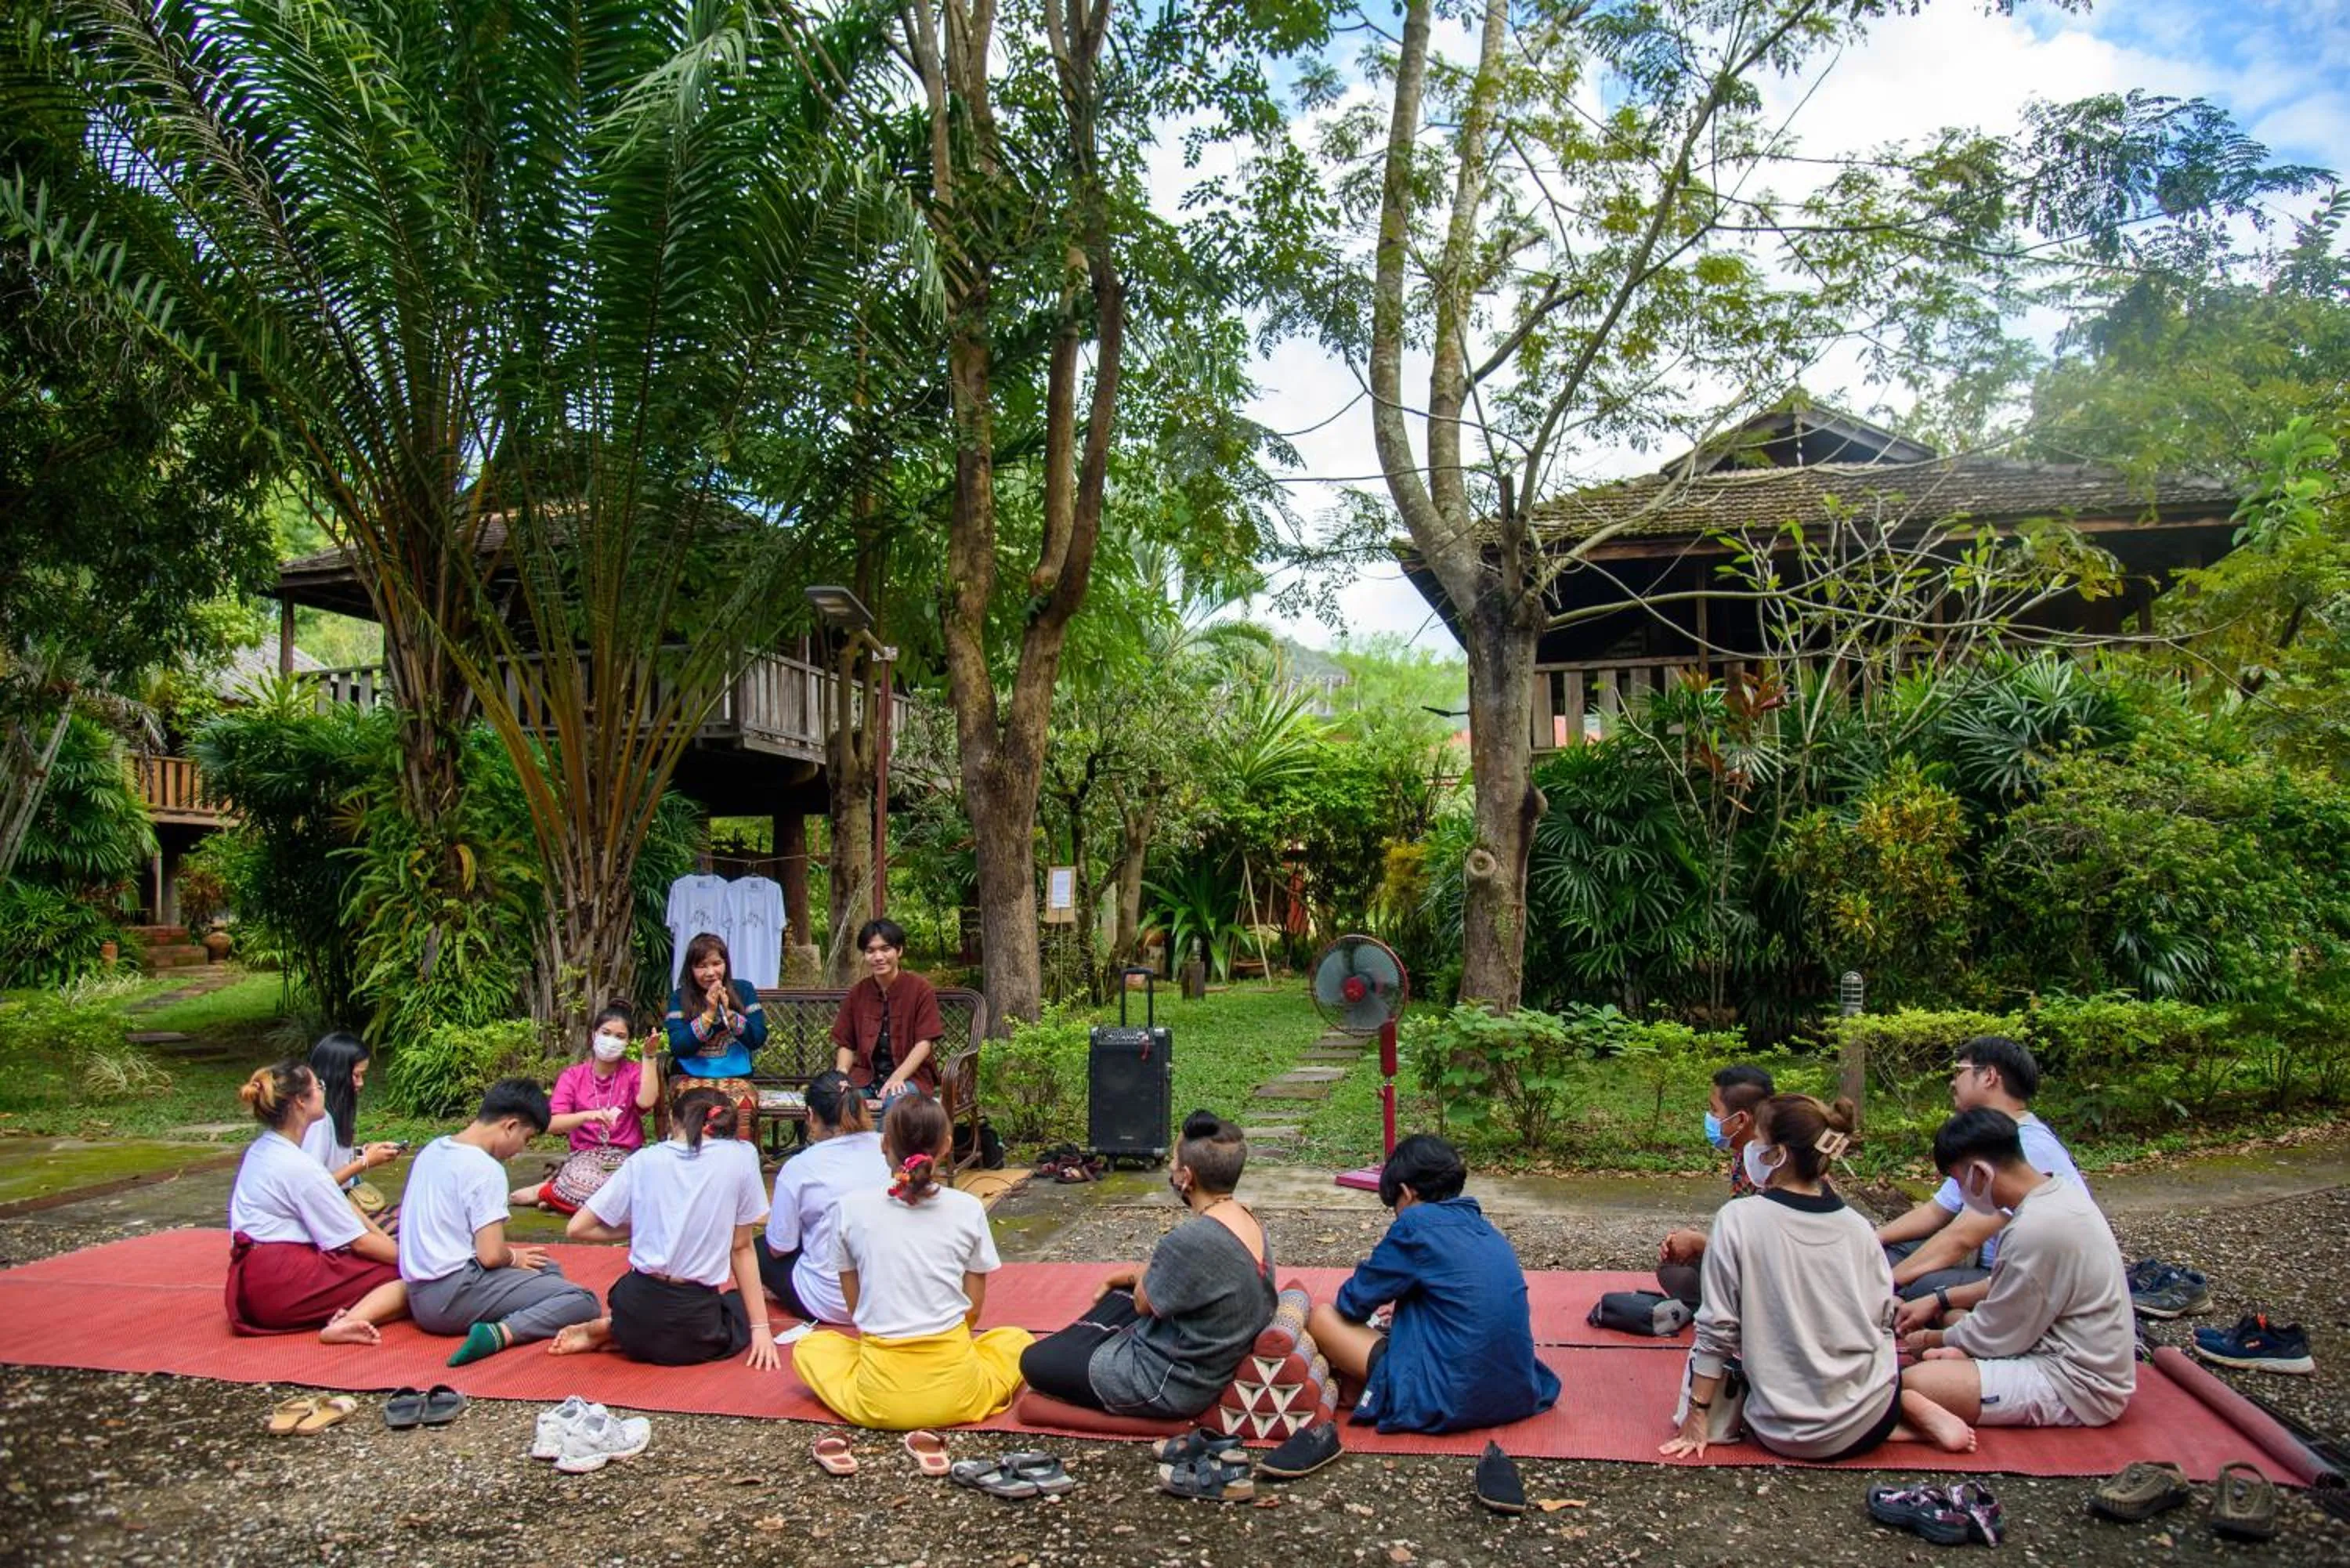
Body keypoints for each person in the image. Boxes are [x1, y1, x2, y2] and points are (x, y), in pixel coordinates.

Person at [1659, 1093, 1976, 1461]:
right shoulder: (1859, 1229)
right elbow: (1881, 1320)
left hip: (1782, 1430)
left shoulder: (1738, 1220)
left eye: (1758, 1140)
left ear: (1777, 1154)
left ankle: (1902, 1419)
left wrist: (1697, 1413)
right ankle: (1901, 1412)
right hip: (1870, 1416)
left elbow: (1716, 1329)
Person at [790, 1093, 1032, 1429]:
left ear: (884, 1144)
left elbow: (856, 1308)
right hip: (959, 1394)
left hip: (880, 1400)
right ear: (947, 1146)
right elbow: (973, 1310)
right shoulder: (968, 1208)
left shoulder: (850, 1208)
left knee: (811, 1347)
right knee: (1016, 1339)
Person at [1020, 1111, 1276, 1418]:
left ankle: (1082, 1347)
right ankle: (1083, 1342)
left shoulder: (1191, 1239)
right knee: (1119, 1293)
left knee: (1033, 1361)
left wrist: (1135, 1278)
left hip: (1168, 1383)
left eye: (1173, 1162)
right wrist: (1129, 1276)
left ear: (1187, 1177)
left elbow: (1143, 1303)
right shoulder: (1248, 1218)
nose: (1170, 1167)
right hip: (1203, 1346)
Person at [1896, 1107, 2135, 1430]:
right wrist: (1940, 1301)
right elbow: (2007, 1285)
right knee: (1953, 1318)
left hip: (2074, 1383)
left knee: (1914, 1382)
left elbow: (1997, 1333)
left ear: (1980, 1173)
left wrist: (1929, 1341)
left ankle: (1935, 1417)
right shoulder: (2054, 1192)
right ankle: (1961, 1360)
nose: (1962, 1192)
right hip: (2045, 1339)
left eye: (1958, 1180)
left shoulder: (2036, 1227)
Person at [1305, 1134, 1560, 1435]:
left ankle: (1374, 1389)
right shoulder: (1485, 1229)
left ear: (1406, 1192)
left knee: (1322, 1316)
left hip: (1446, 1397)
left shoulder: (1414, 1226)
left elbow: (1353, 1302)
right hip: (1517, 1392)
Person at [549, 1087, 781, 1369]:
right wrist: (761, 1329)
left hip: (634, 1308)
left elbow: (577, 1228)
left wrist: (638, 1229)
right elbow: (741, 1247)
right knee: (735, 1306)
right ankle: (616, 1331)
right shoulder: (741, 1157)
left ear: (673, 1120)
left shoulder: (644, 1159)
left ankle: (617, 1329)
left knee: (645, 1310)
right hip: (694, 1327)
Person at [399, 1078, 602, 1367]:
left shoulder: (434, 1149)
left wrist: (517, 1260)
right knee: (583, 1300)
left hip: (419, 1291)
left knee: (547, 1269)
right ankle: (501, 1333)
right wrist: (513, 1256)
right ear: (510, 1126)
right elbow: (492, 1256)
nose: (520, 1150)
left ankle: (519, 1313)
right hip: (452, 1294)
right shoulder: (485, 1168)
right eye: (527, 1139)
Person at [1875, 1035, 2085, 1302]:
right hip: (1980, 1263)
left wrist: (1886, 1284)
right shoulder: (1986, 1137)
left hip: (2015, 1275)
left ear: (1989, 1077)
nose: (1952, 1082)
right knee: (1881, 1257)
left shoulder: (2031, 1145)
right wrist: (1871, 1241)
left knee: (1915, 1282)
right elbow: (1937, 1211)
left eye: (1959, 1071)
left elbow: (1963, 1236)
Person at [224, 1059, 409, 1344]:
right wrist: (416, 1262)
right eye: (318, 1087)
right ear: (300, 1101)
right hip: (280, 1283)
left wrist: (390, 1244)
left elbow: (343, 1208)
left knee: (396, 1258)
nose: (324, 1091)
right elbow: (360, 1242)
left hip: (251, 1282)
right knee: (418, 1281)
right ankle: (350, 1321)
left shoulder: (262, 1150)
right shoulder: (299, 1166)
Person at [756, 1070, 890, 1324]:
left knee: (756, 1249)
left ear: (811, 1115)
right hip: (889, 1298)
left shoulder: (800, 1167)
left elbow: (778, 1248)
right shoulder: (887, 1146)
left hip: (829, 1302)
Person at [512, 1003, 662, 1210]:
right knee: (603, 1193)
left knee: (649, 1193)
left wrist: (649, 1056)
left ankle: (555, 1194)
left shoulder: (633, 1072)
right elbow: (553, 1123)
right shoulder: (573, 1076)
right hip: (587, 1156)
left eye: (620, 1037)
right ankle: (554, 1192)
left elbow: (646, 1102)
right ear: (594, 1035)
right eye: (606, 1033)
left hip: (627, 1157)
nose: (611, 1041)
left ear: (628, 1042)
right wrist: (588, 1116)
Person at [1656, 1064, 1777, 1308]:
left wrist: (1700, 1242)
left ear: (1741, 1119)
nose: (1710, 1118)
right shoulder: (1746, 1155)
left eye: (1715, 1110)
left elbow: (1770, 1255)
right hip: (1759, 1269)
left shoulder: (1779, 1168)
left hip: (1780, 1283)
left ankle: (1739, 1317)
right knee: (1675, 1267)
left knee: (1682, 1272)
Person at [831, 918, 944, 1106]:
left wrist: (897, 1077)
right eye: (870, 951)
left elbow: (924, 1043)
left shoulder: (920, 990)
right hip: (865, 1078)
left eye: (885, 949)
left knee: (897, 1099)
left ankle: (886, 1138)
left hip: (910, 1078)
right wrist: (841, 1074)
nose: (878, 957)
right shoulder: (858, 993)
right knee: (837, 1100)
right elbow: (846, 1043)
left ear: (899, 950)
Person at [301, 1031, 403, 1196]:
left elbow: (334, 1159)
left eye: (362, 1075)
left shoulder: (334, 1113)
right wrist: (365, 1162)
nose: (361, 1083)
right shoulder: (318, 1121)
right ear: (336, 1074)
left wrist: (366, 1152)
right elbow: (313, 1188)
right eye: (356, 1075)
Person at [663, 931, 768, 1086]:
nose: (711, 973)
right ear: (690, 970)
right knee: (694, 1108)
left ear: (726, 963)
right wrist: (708, 1014)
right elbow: (679, 1048)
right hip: (689, 1076)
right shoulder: (680, 997)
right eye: (701, 966)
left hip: (737, 1077)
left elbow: (758, 1039)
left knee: (739, 1107)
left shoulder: (744, 990)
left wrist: (730, 1015)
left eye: (716, 964)